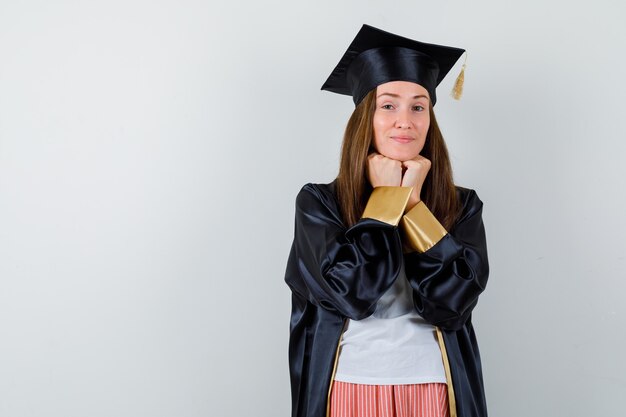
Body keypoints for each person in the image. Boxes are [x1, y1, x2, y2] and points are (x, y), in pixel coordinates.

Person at [284, 24, 489, 417]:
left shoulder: (463, 206)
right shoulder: (319, 203)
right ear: (366, 117)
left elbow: (452, 305)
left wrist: (413, 208)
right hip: (347, 387)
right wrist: (385, 201)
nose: (405, 121)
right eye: (388, 105)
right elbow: (352, 296)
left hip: (434, 386)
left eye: (418, 106)